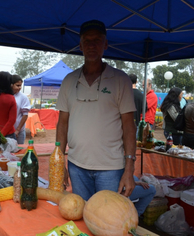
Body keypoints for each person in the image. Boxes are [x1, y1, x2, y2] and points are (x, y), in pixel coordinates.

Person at [56, 20, 136, 201]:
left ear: (105, 44)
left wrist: (129, 170)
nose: (92, 45)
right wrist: (59, 163)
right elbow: (62, 124)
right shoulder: (69, 80)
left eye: (97, 40)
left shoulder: (120, 79)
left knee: (109, 221)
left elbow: (129, 127)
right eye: (87, 40)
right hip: (76, 165)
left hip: (112, 168)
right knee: (82, 217)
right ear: (80, 45)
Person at [12, 75, 31, 144]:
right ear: (11, 85)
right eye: (17, 85)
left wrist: (18, 130)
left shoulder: (23, 97)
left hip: (19, 132)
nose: (19, 88)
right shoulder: (6, 96)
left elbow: (25, 115)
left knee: (19, 151)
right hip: (7, 131)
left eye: (20, 86)